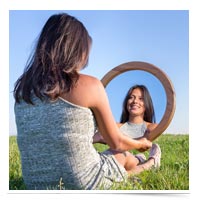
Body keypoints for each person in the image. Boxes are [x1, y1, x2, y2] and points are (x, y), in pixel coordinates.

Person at [14, 13, 160, 190]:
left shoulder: (22, 89)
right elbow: (117, 142)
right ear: (76, 50)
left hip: (34, 184)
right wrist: (140, 144)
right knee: (121, 155)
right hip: (82, 182)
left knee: (113, 155)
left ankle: (136, 163)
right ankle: (149, 163)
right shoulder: (89, 85)